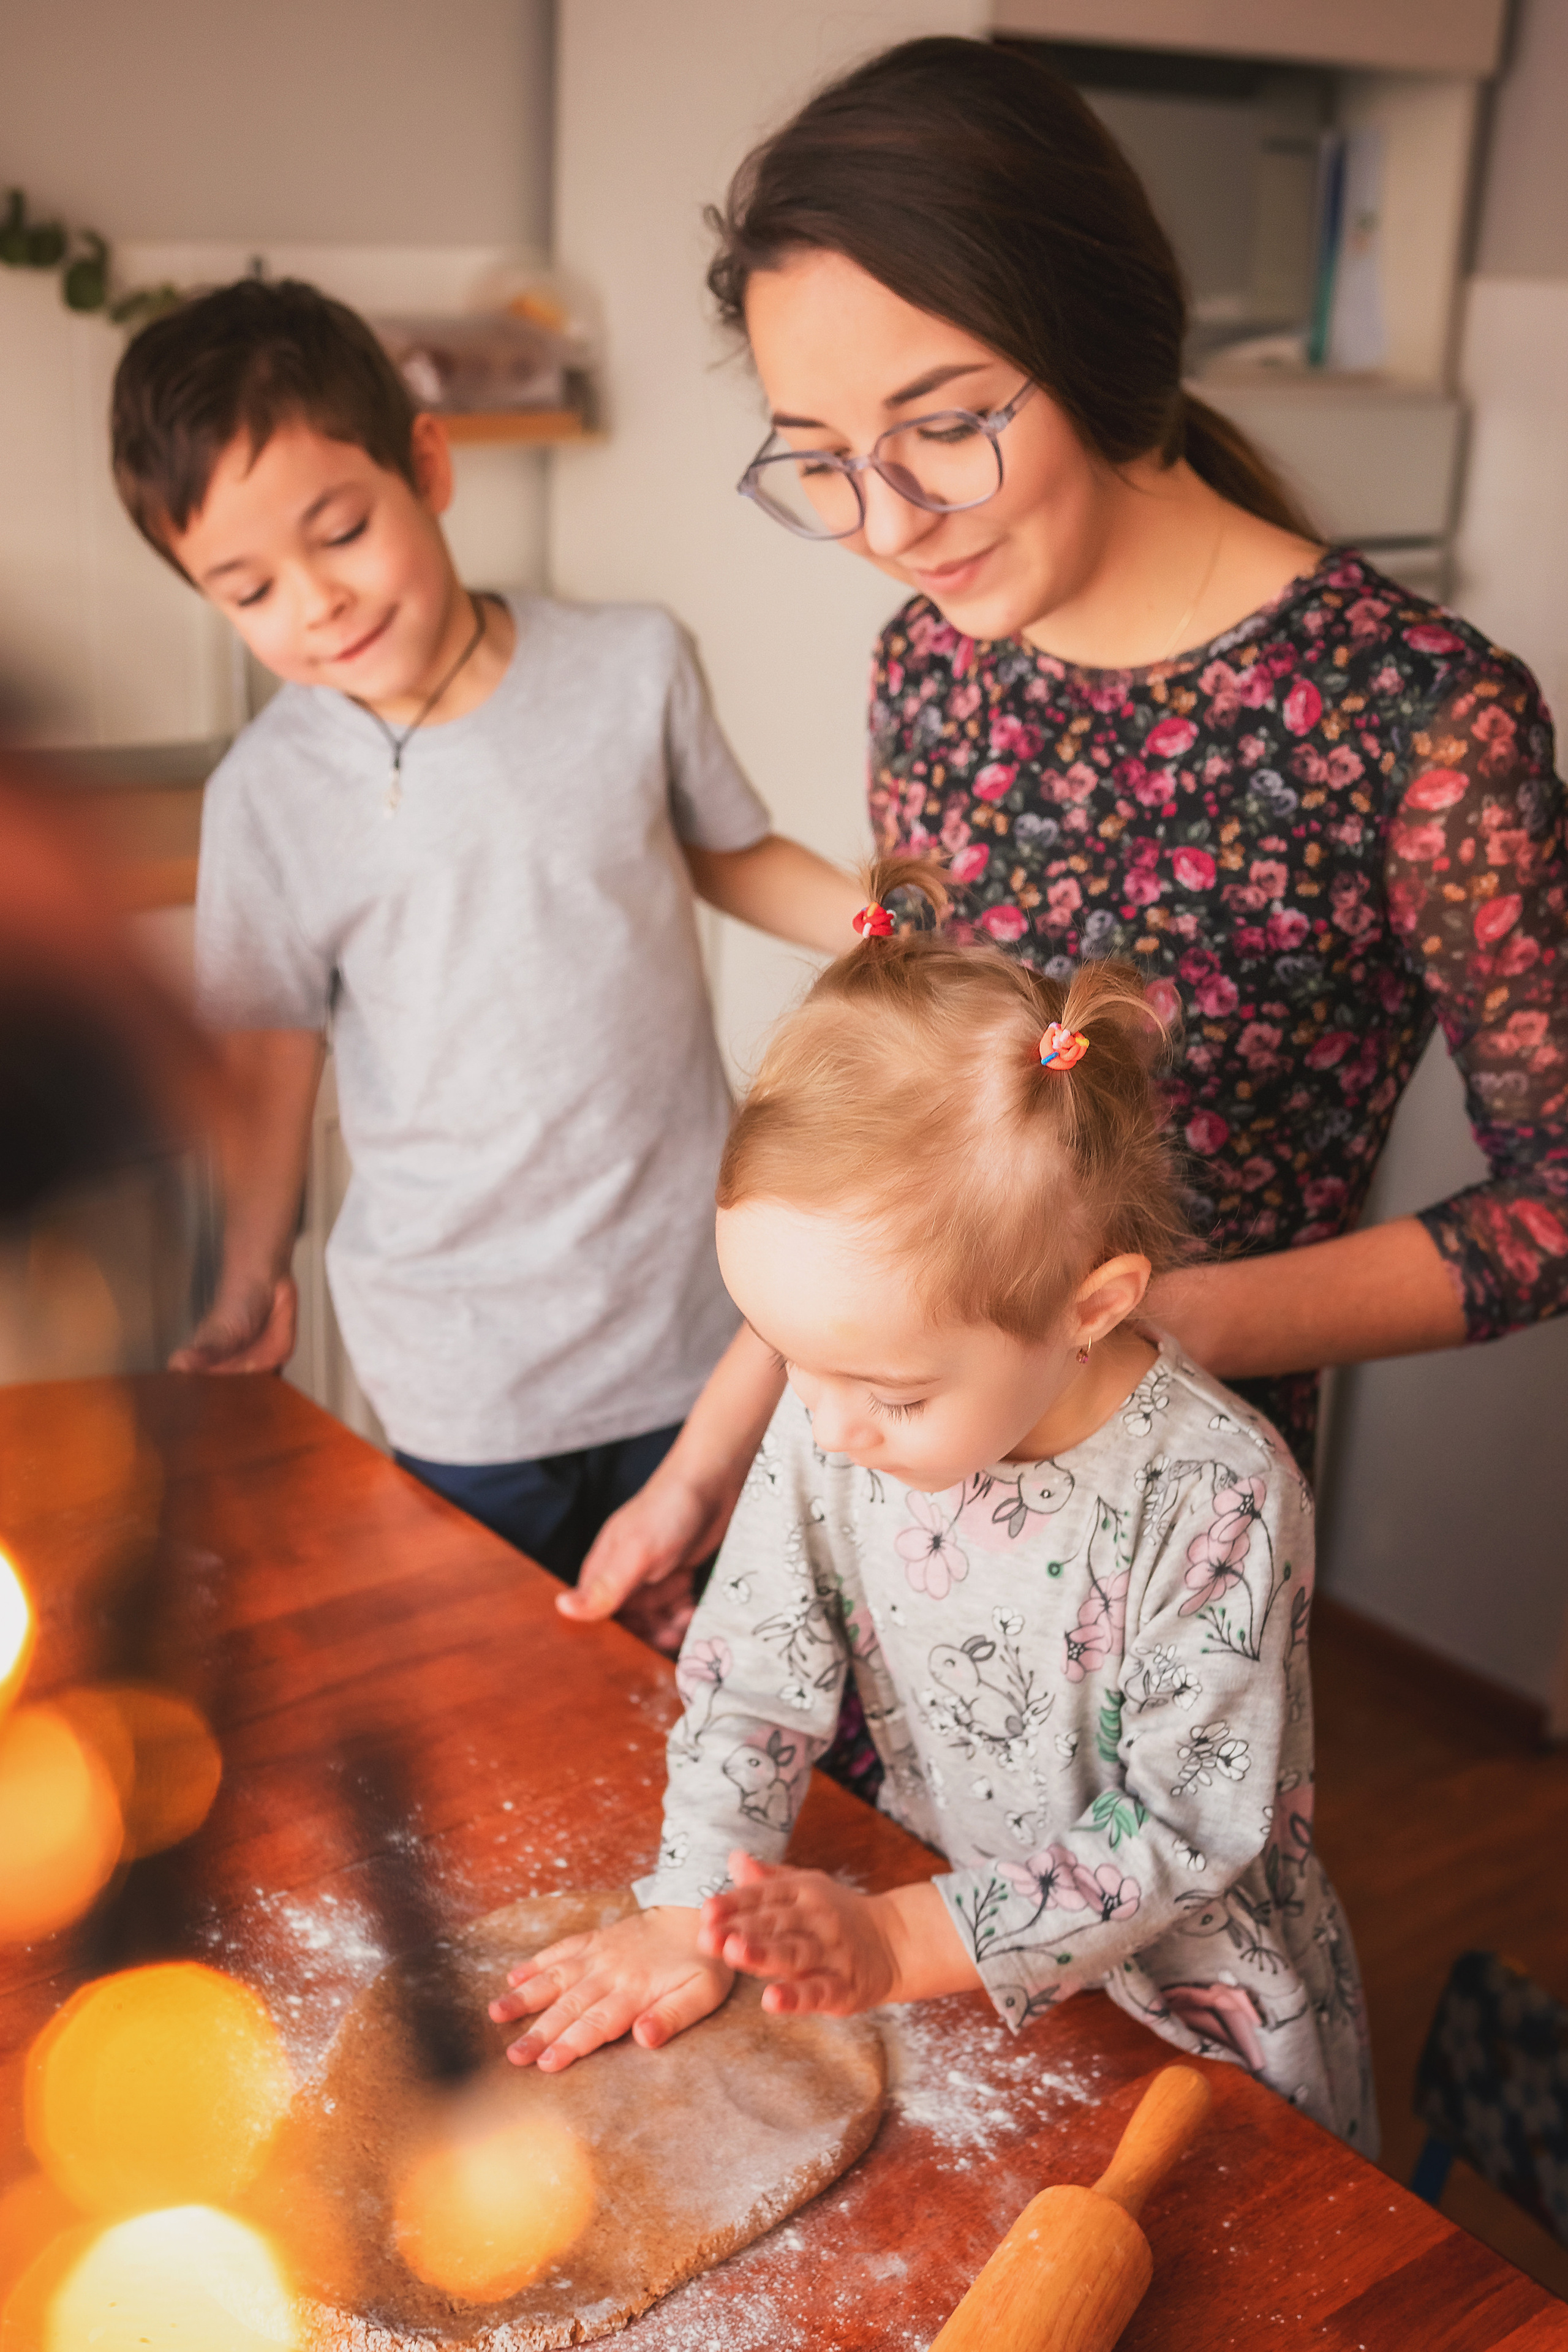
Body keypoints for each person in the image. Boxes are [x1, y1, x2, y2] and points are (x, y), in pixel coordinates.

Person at [562, 35, 1567, 1649]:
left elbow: (1554, 1203)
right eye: (822, 460)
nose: (885, 525)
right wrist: (705, 1469)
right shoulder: (934, 667)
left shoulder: (1419, 720)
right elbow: (893, 1141)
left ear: (1092, 341)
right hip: (885, 1502)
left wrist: (1150, 1326)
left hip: (1165, 1549)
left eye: (942, 427)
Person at [491, 862, 1375, 2147]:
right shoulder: (832, 1408)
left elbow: (1182, 1830)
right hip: (963, 1947)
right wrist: (692, 1910)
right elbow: (751, 1680)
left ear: (1090, 1308)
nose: (827, 1425)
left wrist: (898, 1937)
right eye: (788, 1359)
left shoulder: (1217, 1495)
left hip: (1191, 2029)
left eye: (890, 1396)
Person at [110, 277, 862, 1613]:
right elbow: (274, 1053)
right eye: (248, 590)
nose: (316, 603)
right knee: (515, 1695)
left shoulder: (630, 664)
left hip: (694, 1308)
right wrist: (248, 1277)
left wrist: (888, 925)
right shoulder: (266, 796)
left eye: (339, 532)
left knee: (725, 1669)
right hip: (461, 1362)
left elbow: (720, 852)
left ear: (426, 464)